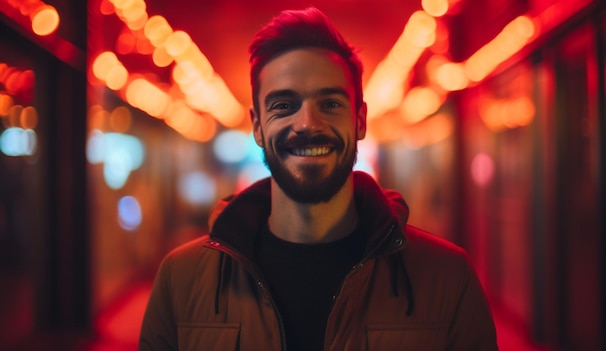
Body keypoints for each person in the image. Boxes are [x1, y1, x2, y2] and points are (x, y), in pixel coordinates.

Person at [139, 7, 498, 351]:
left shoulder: (448, 278)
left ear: (359, 121)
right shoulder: (180, 280)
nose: (308, 124)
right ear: (258, 127)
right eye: (283, 105)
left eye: (330, 104)